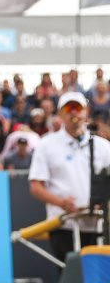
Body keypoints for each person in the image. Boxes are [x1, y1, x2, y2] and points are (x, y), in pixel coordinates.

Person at [29, 92, 110, 264]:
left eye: (78, 108)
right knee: (71, 277)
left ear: (85, 111)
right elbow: (36, 186)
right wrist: (61, 202)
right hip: (64, 224)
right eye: (68, 108)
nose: (74, 113)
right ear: (60, 114)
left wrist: (104, 201)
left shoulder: (102, 146)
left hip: (99, 224)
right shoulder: (47, 145)